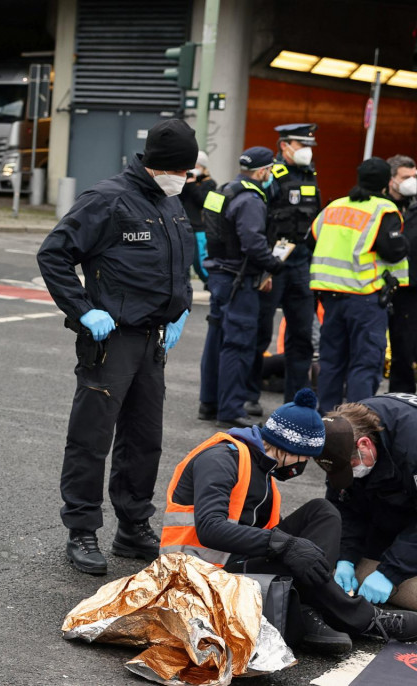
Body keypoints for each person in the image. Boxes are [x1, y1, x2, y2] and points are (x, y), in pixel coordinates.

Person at [37, 119, 196, 576]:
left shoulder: (169, 202)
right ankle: (82, 529)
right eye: (181, 171)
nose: (185, 179)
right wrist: (84, 310)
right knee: (91, 438)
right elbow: (54, 254)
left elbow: (177, 265)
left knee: (144, 440)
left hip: (153, 340)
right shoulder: (107, 200)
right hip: (112, 340)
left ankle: (132, 525)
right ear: (157, 165)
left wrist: (180, 308)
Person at [160, 389, 417, 654]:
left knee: (323, 511)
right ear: (290, 447)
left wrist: (344, 558)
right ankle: (366, 620)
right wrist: (284, 544)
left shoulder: (263, 467)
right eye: (305, 457)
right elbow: (210, 529)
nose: (304, 464)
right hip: (199, 573)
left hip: (234, 560)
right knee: (293, 547)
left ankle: (309, 607)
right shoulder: (220, 459)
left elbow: (267, 531)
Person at [311, 157, 409, 413]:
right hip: (365, 297)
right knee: (364, 364)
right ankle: (356, 424)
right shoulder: (384, 210)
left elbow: (312, 239)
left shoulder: (335, 206)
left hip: (331, 297)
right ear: (387, 183)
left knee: (332, 361)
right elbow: (393, 250)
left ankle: (327, 422)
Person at [198, 147, 284, 427]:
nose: (270, 175)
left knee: (216, 340)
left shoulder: (222, 190)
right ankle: (230, 410)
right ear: (262, 172)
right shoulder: (251, 199)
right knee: (238, 344)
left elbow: (210, 229)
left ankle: (208, 403)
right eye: (269, 170)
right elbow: (253, 243)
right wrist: (274, 264)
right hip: (239, 280)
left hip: (219, 274)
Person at [315, 395, 417, 611]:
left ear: (365, 444)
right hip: (394, 498)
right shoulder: (340, 438)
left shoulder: (411, 447)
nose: (349, 473)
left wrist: (390, 573)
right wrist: (345, 557)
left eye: (351, 466)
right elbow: (343, 503)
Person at [247, 124, 321, 417]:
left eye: (308, 145)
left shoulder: (309, 174)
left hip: (301, 264)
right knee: (260, 331)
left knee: (302, 334)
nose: (306, 150)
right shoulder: (271, 177)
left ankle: (296, 402)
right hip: (273, 264)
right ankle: (249, 395)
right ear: (284, 145)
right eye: (300, 144)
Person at [386, 155, 417, 393]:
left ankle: (402, 395)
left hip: (410, 286)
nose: (412, 181)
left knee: (405, 347)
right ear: (392, 180)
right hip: (379, 283)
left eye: (415, 176)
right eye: (406, 177)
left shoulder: (414, 205)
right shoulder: (380, 204)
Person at [179, 150, 217, 285]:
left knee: (199, 262)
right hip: (184, 225)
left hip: (199, 228)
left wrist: (192, 185)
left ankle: (212, 283)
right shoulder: (185, 182)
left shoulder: (210, 183)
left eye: (197, 166)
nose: (193, 169)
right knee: (182, 261)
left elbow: (204, 202)